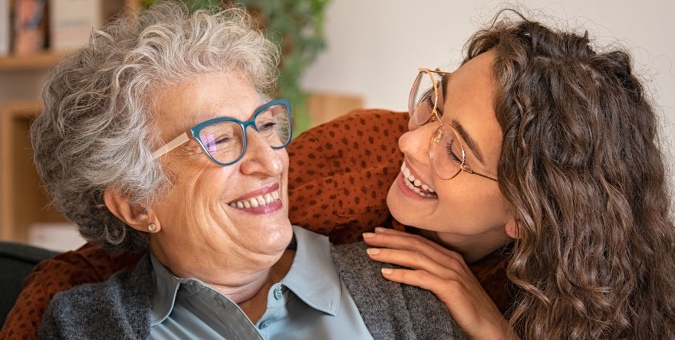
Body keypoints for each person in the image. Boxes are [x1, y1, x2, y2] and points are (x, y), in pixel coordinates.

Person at [26, 1, 464, 339]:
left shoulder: (402, 288)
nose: (272, 160)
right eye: (218, 139)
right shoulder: (83, 325)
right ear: (137, 205)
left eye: (267, 125)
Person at [362, 10, 675, 340]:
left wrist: (494, 330)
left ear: (525, 216)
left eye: (455, 152)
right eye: (434, 99)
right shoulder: (361, 146)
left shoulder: (571, 306)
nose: (407, 141)